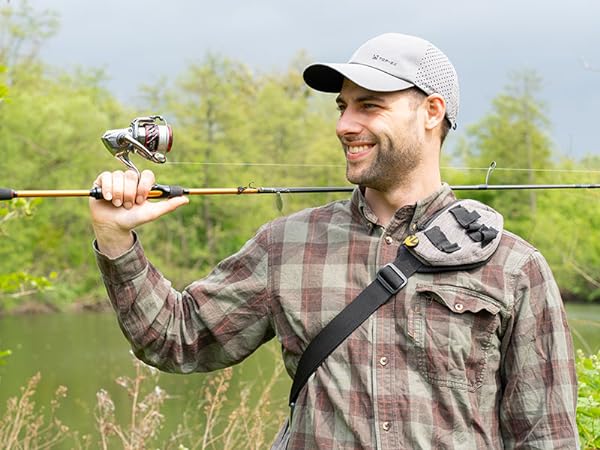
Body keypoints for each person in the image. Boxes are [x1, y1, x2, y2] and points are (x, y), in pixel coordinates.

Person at [89, 33, 579, 449]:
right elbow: (179, 340)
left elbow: (547, 436)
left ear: (432, 112)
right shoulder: (285, 244)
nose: (345, 124)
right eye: (343, 106)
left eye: (370, 106)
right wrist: (116, 240)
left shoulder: (515, 267)